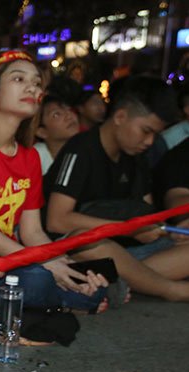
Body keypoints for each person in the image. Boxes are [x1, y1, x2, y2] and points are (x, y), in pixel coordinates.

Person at [0, 50, 108, 311]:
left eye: (36, 83)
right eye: (18, 79)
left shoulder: (30, 156)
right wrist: (43, 264)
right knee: (38, 280)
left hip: (7, 259)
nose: (31, 88)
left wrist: (67, 266)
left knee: (86, 280)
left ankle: (69, 297)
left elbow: (32, 232)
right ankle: (62, 300)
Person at [45, 76, 189, 302]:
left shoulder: (136, 156)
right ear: (120, 116)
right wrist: (126, 229)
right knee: (87, 241)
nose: (150, 141)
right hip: (80, 251)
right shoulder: (81, 149)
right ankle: (170, 289)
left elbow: (147, 213)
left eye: (155, 135)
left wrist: (165, 230)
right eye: (146, 131)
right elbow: (57, 220)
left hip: (126, 255)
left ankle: (123, 279)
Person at [34, 94, 80, 175]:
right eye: (56, 115)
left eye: (69, 109)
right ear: (41, 132)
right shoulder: (35, 157)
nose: (69, 116)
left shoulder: (86, 149)